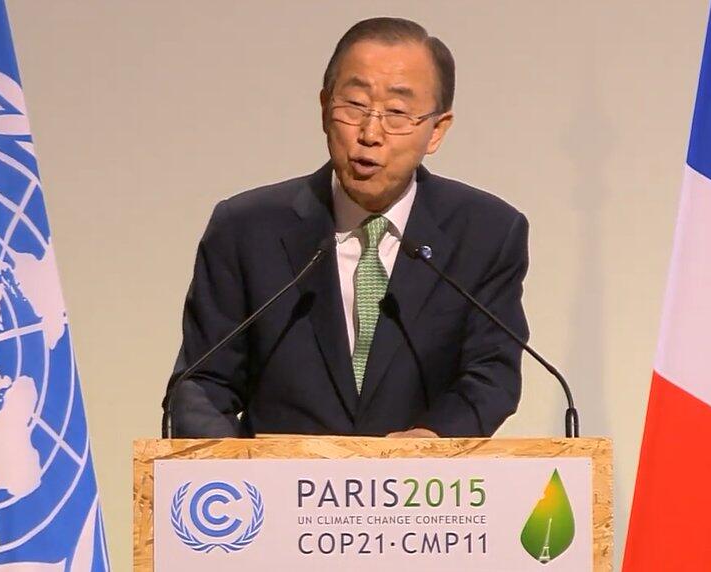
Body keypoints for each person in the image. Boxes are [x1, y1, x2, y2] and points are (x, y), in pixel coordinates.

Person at [165, 17, 529, 438]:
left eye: (397, 113)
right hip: (277, 495)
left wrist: (430, 442)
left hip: (420, 495)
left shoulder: (487, 233)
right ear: (324, 108)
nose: (370, 133)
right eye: (354, 106)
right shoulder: (245, 229)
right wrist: (237, 481)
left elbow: (491, 375)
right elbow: (203, 382)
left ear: (436, 130)